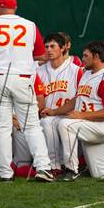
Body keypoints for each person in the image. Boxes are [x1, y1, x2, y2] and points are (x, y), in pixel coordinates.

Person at [0, 0, 54, 182]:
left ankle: (5, 172)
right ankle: (43, 167)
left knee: (1, 127)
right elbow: (42, 55)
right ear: (15, 7)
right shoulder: (30, 25)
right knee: (32, 125)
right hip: (22, 77)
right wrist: (23, 55)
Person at [44, 41, 104, 180]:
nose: (82, 59)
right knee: (100, 173)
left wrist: (81, 115)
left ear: (96, 56)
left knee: (65, 124)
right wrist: (54, 111)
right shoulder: (87, 74)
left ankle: (71, 169)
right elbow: (76, 99)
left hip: (100, 127)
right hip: (88, 126)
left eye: (85, 56)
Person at [37, 33, 83, 174]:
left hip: (70, 115)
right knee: (47, 122)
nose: (49, 50)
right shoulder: (39, 71)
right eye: (46, 47)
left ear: (63, 48)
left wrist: (57, 111)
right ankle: (54, 165)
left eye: (53, 46)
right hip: (48, 116)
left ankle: (62, 165)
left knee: (50, 122)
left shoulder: (76, 71)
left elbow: (80, 98)